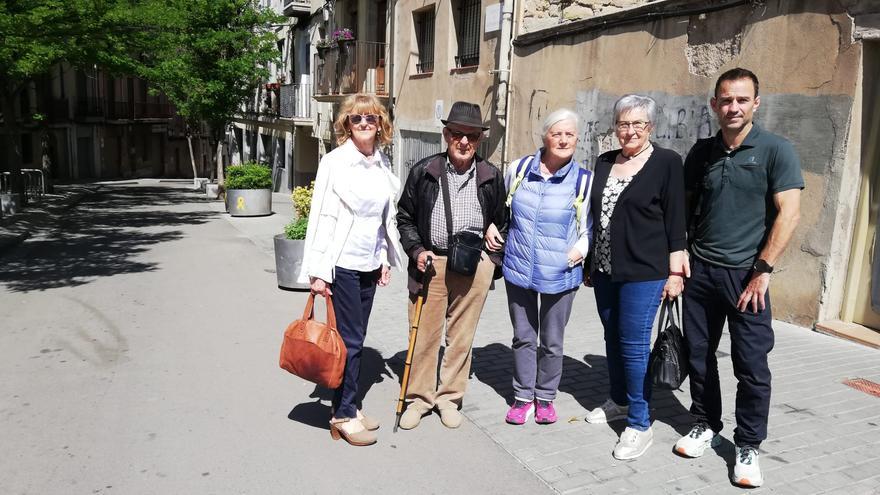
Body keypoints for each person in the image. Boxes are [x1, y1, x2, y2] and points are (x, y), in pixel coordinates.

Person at [674, 68, 803, 488]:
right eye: (726, 100)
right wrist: (679, 260)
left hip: (748, 277)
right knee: (698, 355)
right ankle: (705, 422)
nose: (733, 107)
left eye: (742, 100)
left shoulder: (775, 150)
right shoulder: (702, 152)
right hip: (700, 272)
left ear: (756, 104)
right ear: (714, 104)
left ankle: (748, 444)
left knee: (751, 366)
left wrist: (763, 271)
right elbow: (682, 210)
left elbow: (790, 213)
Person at [583, 94, 688, 460]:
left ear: (651, 127)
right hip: (606, 269)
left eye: (637, 124)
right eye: (623, 124)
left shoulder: (666, 163)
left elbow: (677, 221)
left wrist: (676, 271)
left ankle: (640, 424)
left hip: (645, 271)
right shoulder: (604, 161)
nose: (629, 131)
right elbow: (594, 218)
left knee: (633, 344)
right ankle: (620, 401)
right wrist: (589, 264)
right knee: (612, 337)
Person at [297, 93, 404, 446]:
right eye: (356, 119)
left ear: (380, 124)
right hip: (341, 263)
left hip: (368, 263)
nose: (363, 125)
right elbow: (321, 218)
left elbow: (382, 220)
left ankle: (350, 405)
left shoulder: (381, 162)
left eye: (370, 119)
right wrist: (317, 272)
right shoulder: (335, 162)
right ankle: (342, 414)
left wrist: (385, 259)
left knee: (354, 339)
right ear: (346, 124)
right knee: (351, 342)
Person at [396, 101, 506, 430]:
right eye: (457, 134)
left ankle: (449, 398)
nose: (464, 142)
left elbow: (504, 221)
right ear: (446, 135)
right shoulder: (425, 171)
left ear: (479, 140)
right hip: (431, 262)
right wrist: (415, 250)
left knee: (461, 338)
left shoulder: (490, 176)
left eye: (471, 136)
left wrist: (492, 257)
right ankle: (419, 399)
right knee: (425, 335)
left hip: (474, 266)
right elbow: (404, 218)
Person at [501, 108, 593, 425]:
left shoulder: (583, 181)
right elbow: (503, 208)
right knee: (523, 338)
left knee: (552, 343)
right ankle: (522, 397)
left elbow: (591, 227)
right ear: (545, 137)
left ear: (577, 139)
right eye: (557, 133)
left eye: (569, 134)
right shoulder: (519, 169)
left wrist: (580, 249)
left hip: (560, 273)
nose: (563, 139)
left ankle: (545, 398)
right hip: (519, 267)